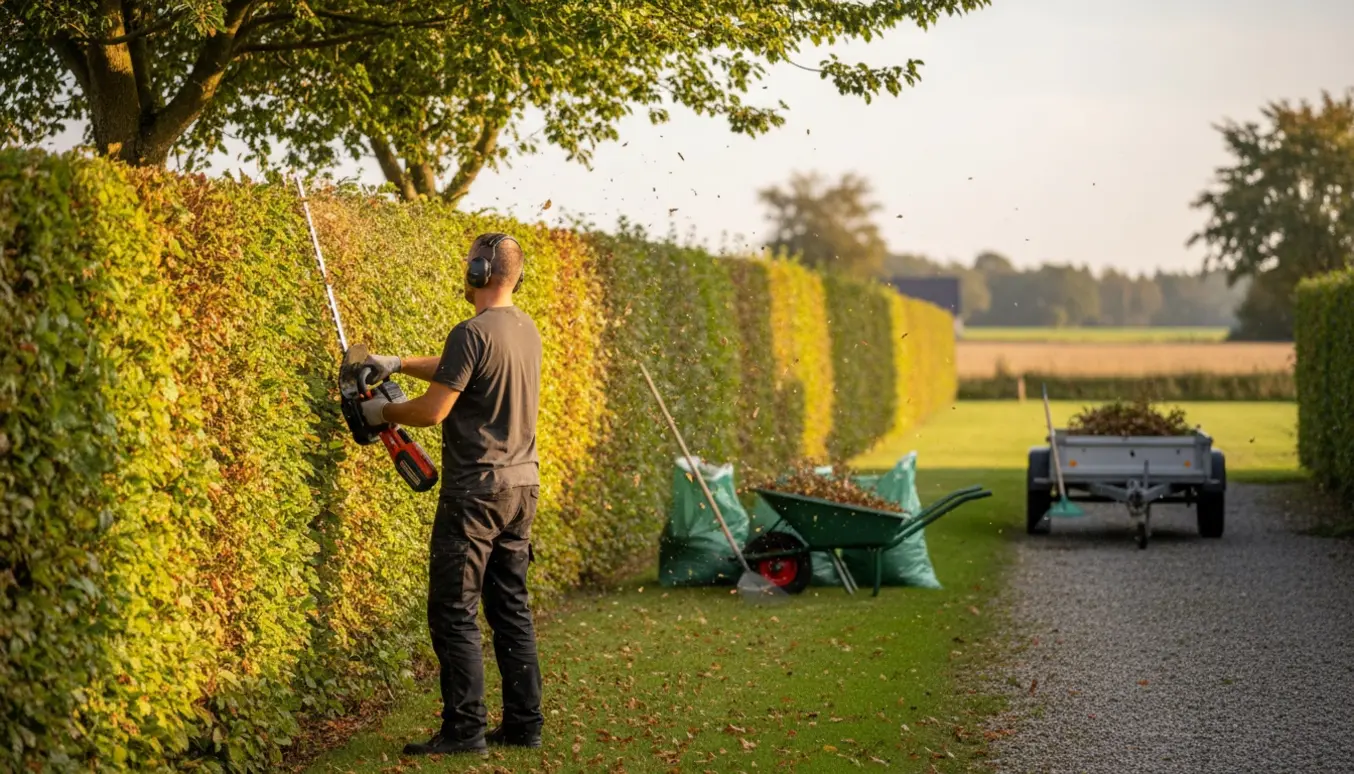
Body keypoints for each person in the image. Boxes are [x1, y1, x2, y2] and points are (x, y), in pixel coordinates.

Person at [358, 233, 544, 757]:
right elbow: (462, 368)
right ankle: (525, 725)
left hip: (476, 493)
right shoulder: (525, 328)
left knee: (454, 610)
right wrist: (396, 363)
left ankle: (464, 731)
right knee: (510, 607)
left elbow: (434, 409)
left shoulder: (471, 331)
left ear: (479, 271)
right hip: (521, 487)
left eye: (470, 265)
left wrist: (381, 411)